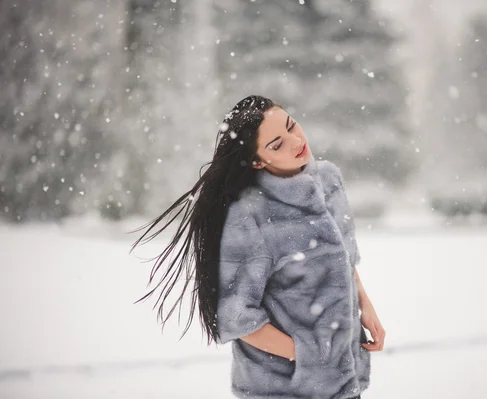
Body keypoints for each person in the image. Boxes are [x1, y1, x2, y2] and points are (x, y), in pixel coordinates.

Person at [130, 95, 385, 398]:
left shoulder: (328, 181)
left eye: (291, 126)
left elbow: (345, 259)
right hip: (281, 389)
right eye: (276, 144)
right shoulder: (249, 215)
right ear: (257, 160)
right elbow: (236, 318)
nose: (295, 141)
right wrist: (312, 357)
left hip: (344, 383)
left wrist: (366, 308)